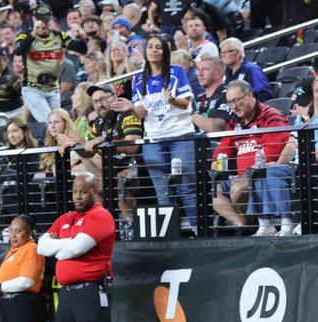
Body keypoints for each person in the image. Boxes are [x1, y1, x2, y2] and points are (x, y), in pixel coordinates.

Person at [37, 173, 121, 322]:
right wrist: (66, 243)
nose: (78, 196)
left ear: (95, 192)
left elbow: (72, 250)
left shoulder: (101, 216)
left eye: (83, 191)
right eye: (75, 192)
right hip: (67, 294)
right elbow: (42, 247)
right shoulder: (67, 218)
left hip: (91, 291)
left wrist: (62, 244)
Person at [112, 35, 197, 230]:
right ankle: (169, 233)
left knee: (186, 186)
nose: (154, 50)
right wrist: (130, 107)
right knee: (162, 190)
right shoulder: (138, 79)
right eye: (150, 47)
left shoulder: (177, 72)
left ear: (165, 52)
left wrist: (172, 100)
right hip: (154, 140)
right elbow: (142, 113)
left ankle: (197, 229)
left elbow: (186, 104)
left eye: (159, 47)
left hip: (180, 136)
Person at [212, 80, 292, 235]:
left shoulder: (272, 116)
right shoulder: (234, 123)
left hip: (260, 174)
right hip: (241, 176)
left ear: (250, 95)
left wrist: (246, 176)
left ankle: (254, 224)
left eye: (237, 100)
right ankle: (243, 225)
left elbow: (272, 153)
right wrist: (216, 165)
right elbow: (221, 152)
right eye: (230, 102)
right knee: (214, 192)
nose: (234, 106)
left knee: (238, 189)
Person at [81, 84, 144, 219]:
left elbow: (133, 146)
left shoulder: (128, 114)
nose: (100, 105)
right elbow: (90, 151)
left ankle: (130, 227)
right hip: (110, 170)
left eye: (103, 99)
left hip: (135, 167)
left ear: (114, 97)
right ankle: (101, 227)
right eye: (95, 102)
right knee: (94, 186)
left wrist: (104, 141)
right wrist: (76, 145)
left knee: (121, 182)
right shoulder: (98, 123)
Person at [14, 5, 68, 123]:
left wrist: (78, 35)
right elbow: (17, 51)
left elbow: (81, 48)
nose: (44, 23)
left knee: (60, 122)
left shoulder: (58, 35)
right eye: (40, 19)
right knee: (49, 121)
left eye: (46, 20)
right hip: (33, 88)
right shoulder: (24, 35)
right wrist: (33, 33)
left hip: (53, 88)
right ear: (34, 19)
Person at [220, 38, 273, 103]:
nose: (223, 55)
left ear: (238, 53)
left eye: (227, 51)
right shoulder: (225, 72)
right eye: (222, 52)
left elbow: (264, 95)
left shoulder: (252, 70)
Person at [191, 55, 232, 133]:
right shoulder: (197, 99)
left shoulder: (228, 95)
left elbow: (217, 128)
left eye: (205, 69)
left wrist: (191, 114)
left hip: (220, 144)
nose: (200, 74)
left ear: (218, 73)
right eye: (198, 70)